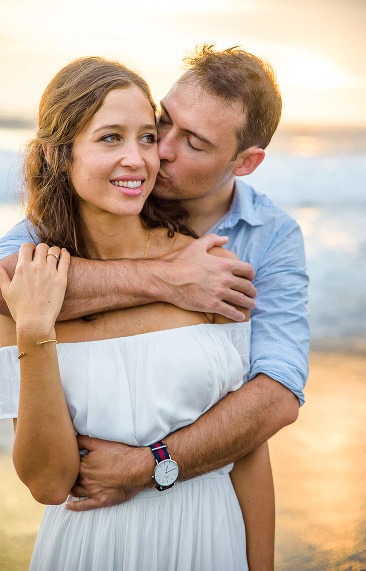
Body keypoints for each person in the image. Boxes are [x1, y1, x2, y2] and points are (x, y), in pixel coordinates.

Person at [0, 46, 309, 568]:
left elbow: (270, 405)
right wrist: (169, 280)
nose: (155, 153)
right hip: (84, 546)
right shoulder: (43, 251)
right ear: (57, 154)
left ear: (246, 161)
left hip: (207, 536)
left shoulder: (242, 255)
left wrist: (149, 466)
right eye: (159, 125)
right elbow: (11, 284)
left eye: (190, 142)